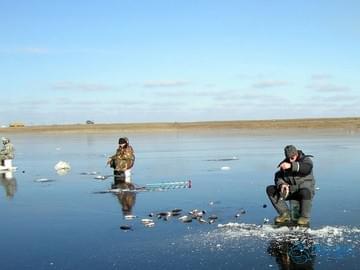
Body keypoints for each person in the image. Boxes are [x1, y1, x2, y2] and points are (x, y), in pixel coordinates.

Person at [266, 145, 315, 226]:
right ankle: (285, 214)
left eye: (292, 157)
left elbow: (306, 168)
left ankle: (304, 217)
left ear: (296, 154)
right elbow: (278, 177)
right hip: (290, 191)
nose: (290, 159)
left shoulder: (306, 160)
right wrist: (282, 184)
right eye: (289, 157)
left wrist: (291, 166)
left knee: (305, 191)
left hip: (304, 192)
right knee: (270, 189)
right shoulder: (285, 163)